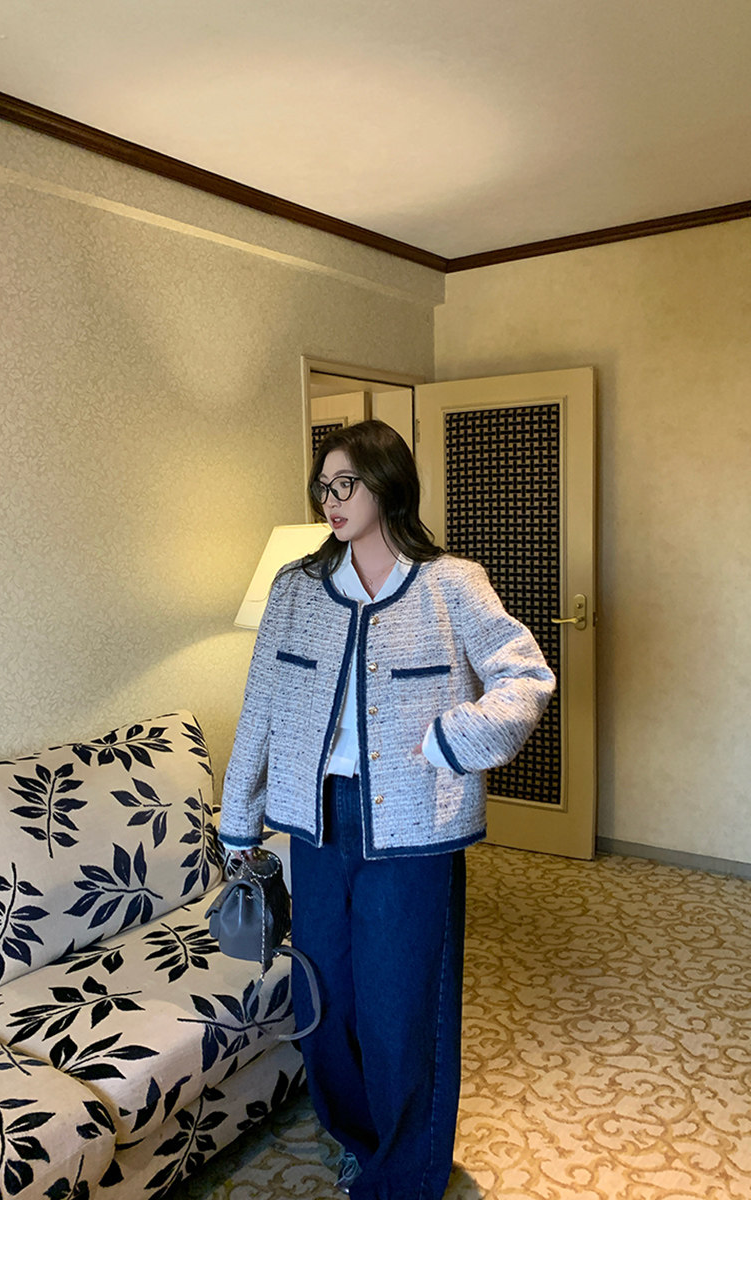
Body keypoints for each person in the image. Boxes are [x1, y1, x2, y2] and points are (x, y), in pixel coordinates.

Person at [219, 419, 555, 1199]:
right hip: (317, 823)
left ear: (387, 485)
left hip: (415, 826)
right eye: (323, 486)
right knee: (324, 997)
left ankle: (404, 1176)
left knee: (403, 1006)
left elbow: (526, 677)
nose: (331, 500)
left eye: (347, 484)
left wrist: (452, 737)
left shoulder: (452, 584)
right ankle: (356, 1139)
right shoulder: (296, 588)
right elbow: (262, 703)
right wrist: (238, 821)